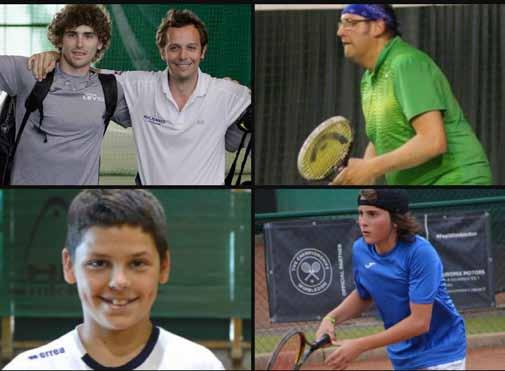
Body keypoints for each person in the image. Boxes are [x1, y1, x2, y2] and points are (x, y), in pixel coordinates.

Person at [3, 189, 224, 370]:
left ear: (164, 266)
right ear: (69, 265)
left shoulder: (199, 364)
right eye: (98, 263)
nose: (119, 282)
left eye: (137, 263)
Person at [30, 8, 251, 185]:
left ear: (202, 52)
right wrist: (57, 57)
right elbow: (89, 70)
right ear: (162, 51)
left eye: (191, 48)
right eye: (174, 48)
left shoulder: (226, 93)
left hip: (208, 207)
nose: (183, 56)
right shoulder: (140, 86)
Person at [330, 4, 492, 186]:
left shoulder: (406, 63)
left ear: (378, 27)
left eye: (350, 22)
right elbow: (382, 137)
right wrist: (363, 175)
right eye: (341, 24)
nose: (340, 32)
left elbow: (433, 141)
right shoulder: (368, 79)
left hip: (458, 181)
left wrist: (370, 168)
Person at [315, 189, 466, 370]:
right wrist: (330, 319)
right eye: (361, 213)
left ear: (395, 220)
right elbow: (364, 295)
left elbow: (419, 322)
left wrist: (359, 345)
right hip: (402, 357)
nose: (363, 222)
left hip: (441, 353)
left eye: (372, 214)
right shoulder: (360, 250)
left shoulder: (420, 252)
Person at [0, 4, 131, 185]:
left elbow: (155, 120)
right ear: (60, 39)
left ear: (100, 42)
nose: (79, 44)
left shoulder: (110, 89)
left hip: (80, 204)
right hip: (25, 202)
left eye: (88, 36)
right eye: (72, 35)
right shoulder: (30, 71)